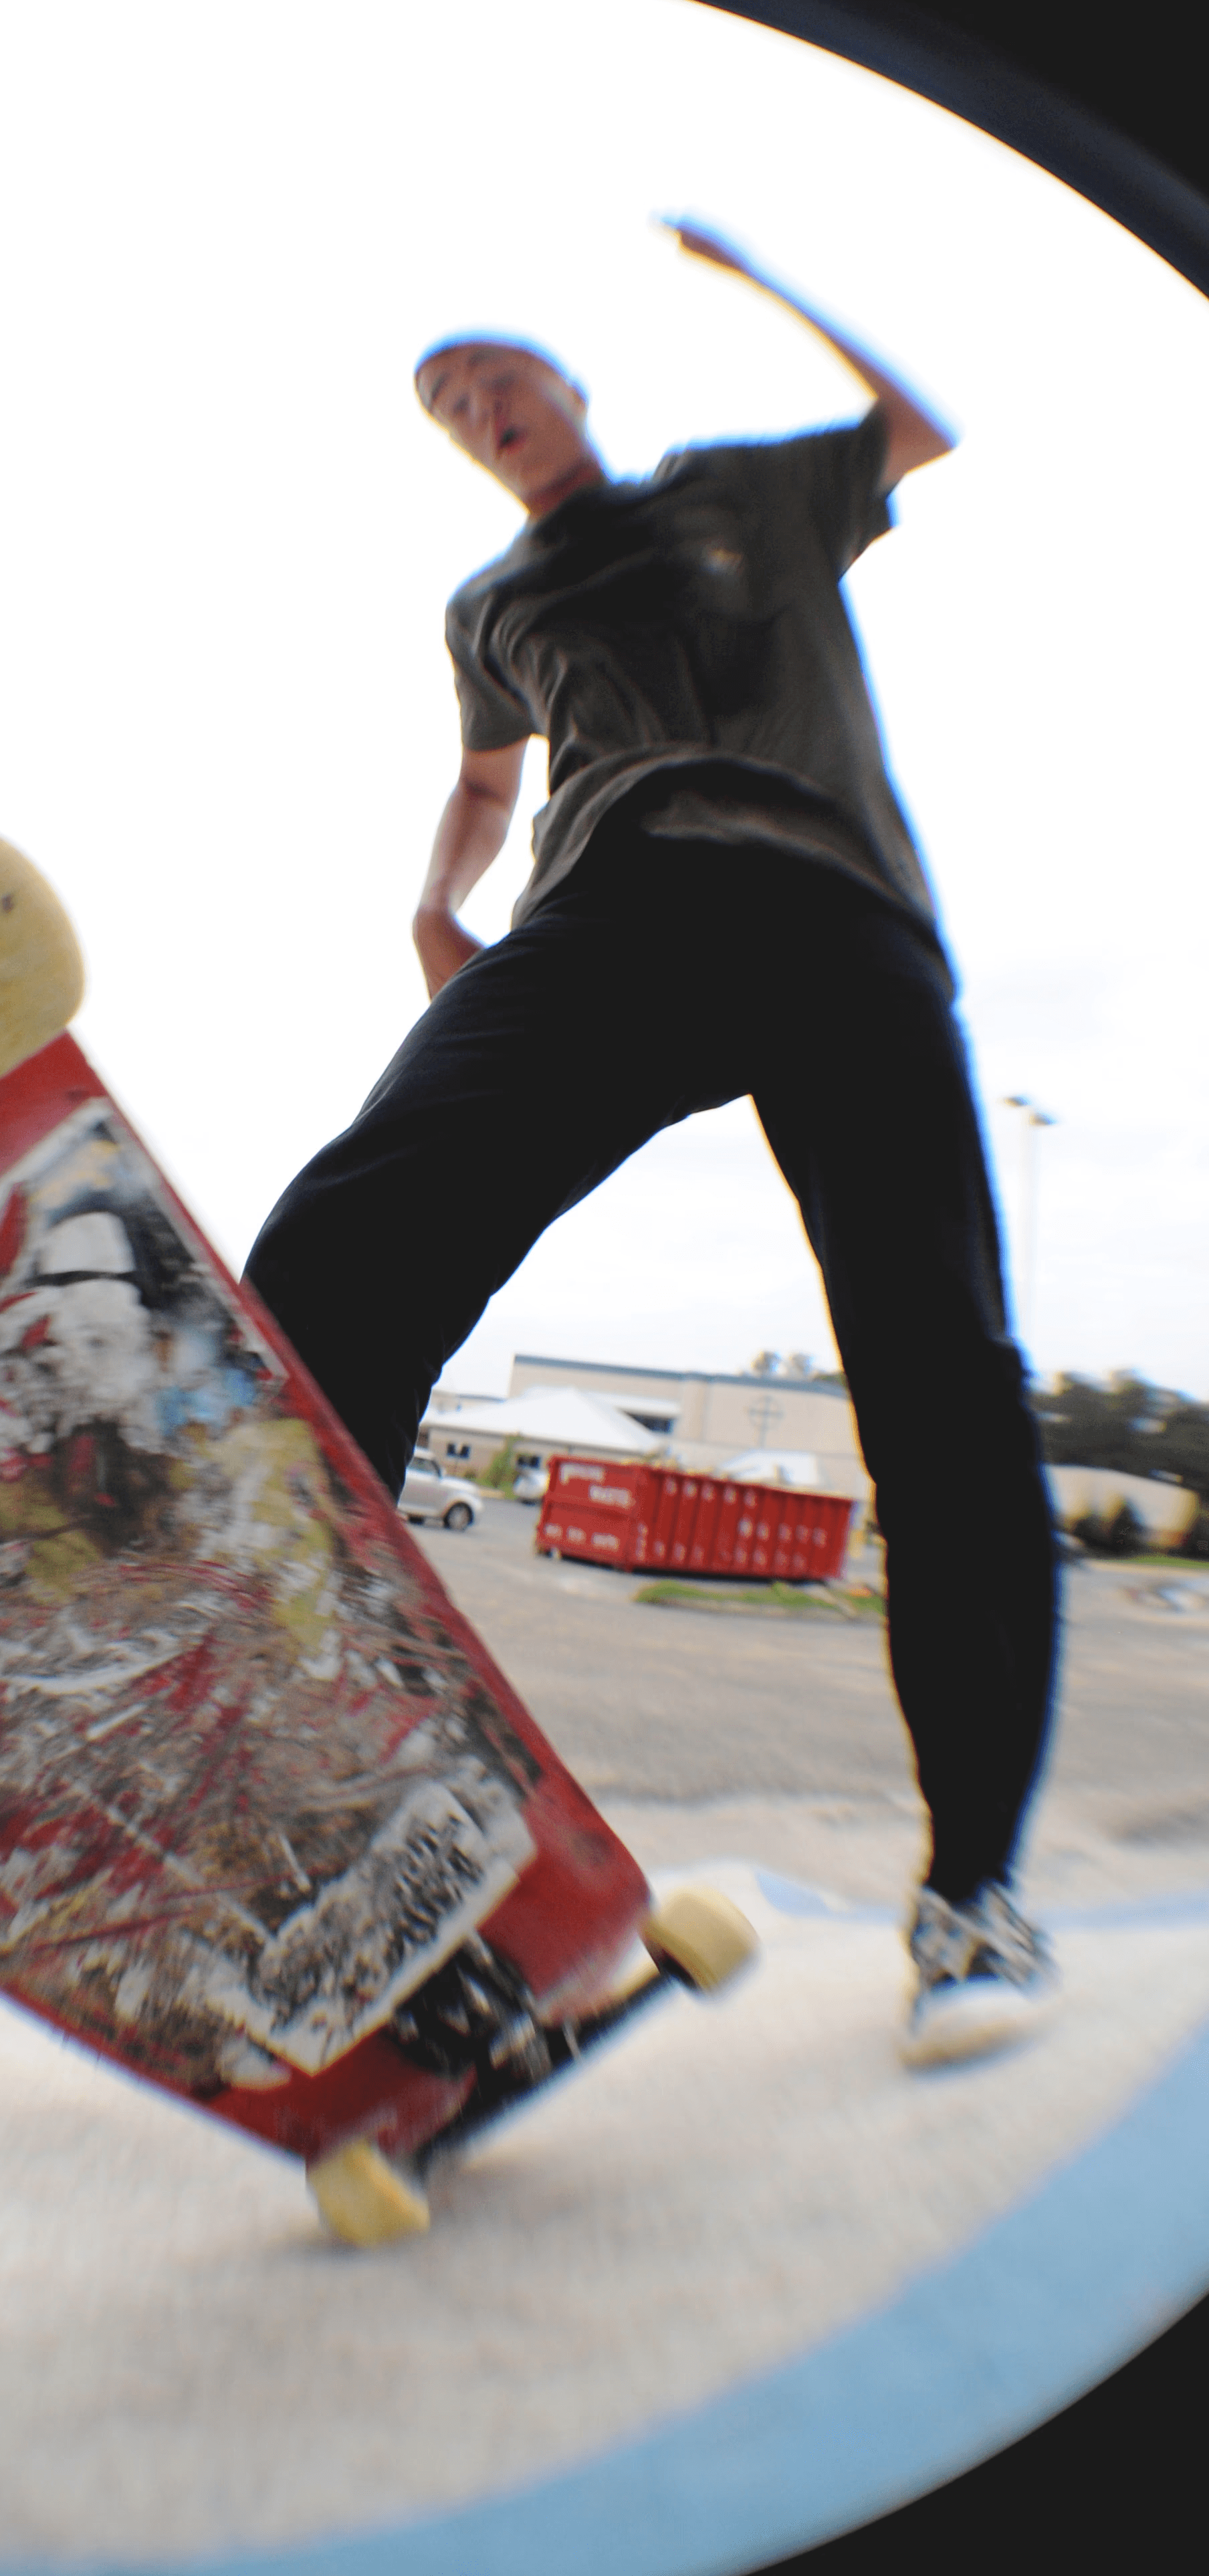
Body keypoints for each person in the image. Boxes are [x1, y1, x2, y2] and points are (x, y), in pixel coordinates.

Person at [243, 219, 1061, 2069]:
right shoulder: (490, 606)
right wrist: (431, 908)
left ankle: (978, 1894)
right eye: (451, 407)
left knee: (938, 1359)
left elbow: (919, 422)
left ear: (566, 388)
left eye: (497, 380)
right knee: (367, 1215)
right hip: (612, 912)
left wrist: (766, 273)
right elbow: (481, 777)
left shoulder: (749, 490)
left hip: (839, 918)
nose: (478, 413)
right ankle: (283, 1697)